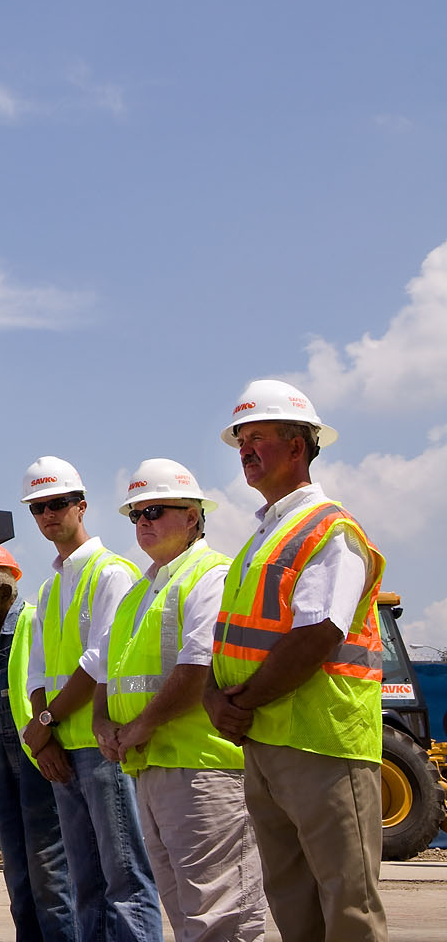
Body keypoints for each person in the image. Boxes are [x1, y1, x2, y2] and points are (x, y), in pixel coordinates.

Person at [205, 381, 387, 942]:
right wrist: (217, 697)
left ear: (298, 446)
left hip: (324, 742)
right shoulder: (263, 536)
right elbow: (228, 639)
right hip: (266, 738)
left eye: (258, 437)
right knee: (291, 899)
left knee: (347, 905)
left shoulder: (330, 530)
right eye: (241, 440)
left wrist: (240, 702)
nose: (245, 450)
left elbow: (320, 633)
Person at [92, 459, 265, 942]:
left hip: (204, 769)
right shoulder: (139, 593)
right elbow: (105, 672)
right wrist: (102, 723)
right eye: (136, 514)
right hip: (149, 767)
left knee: (220, 916)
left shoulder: (213, 575)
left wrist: (140, 726)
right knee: (186, 915)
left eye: (156, 510)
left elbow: (198, 666)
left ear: (192, 516)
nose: (143, 522)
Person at [16, 456, 162, 942]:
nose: (47, 516)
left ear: (81, 506)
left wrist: (47, 721)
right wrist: (46, 732)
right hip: (65, 751)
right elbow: (38, 670)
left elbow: (98, 661)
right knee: (86, 885)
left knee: (125, 881)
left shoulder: (112, 574)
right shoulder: (52, 586)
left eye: (57, 504)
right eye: (38, 508)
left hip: (103, 751)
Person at [0, 542, 76, 942]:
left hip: (36, 760)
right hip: (4, 764)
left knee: (49, 873)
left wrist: (47, 740)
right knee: (19, 873)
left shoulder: (33, 623)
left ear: (6, 593)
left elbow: (51, 685)